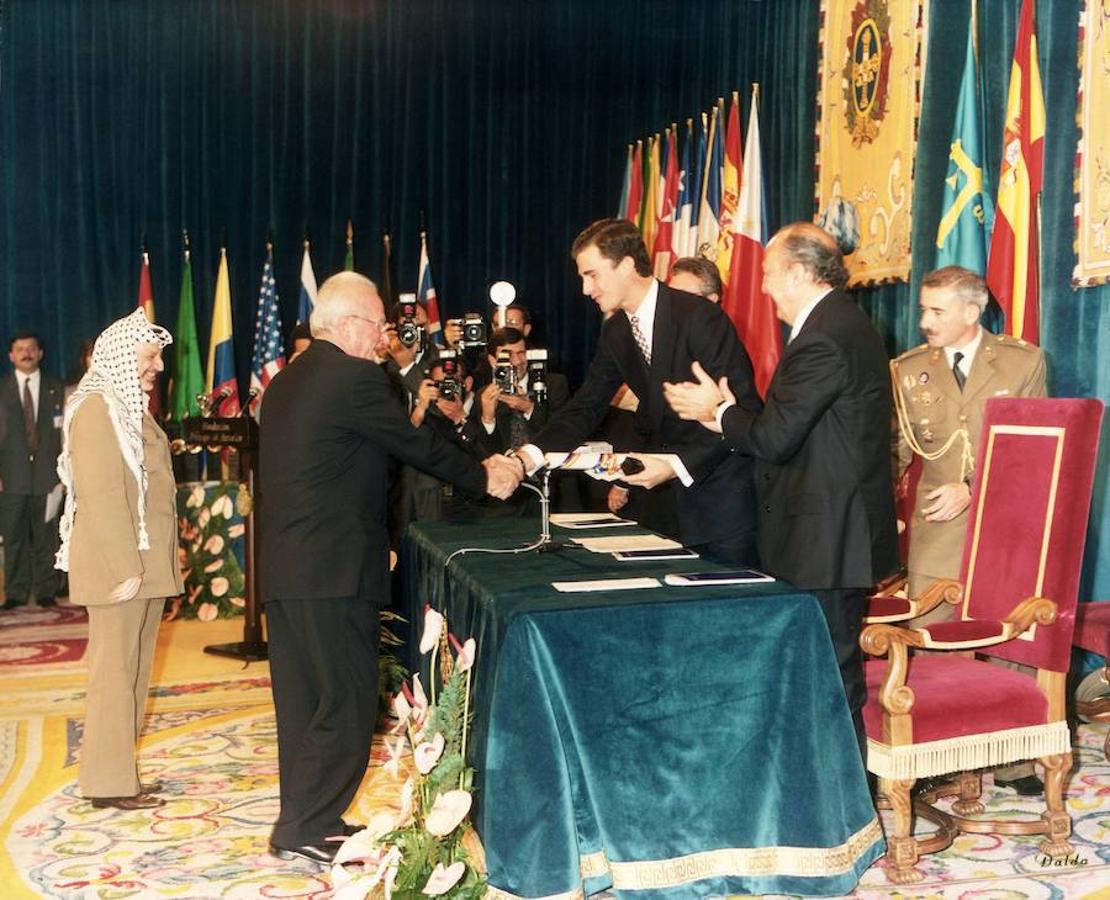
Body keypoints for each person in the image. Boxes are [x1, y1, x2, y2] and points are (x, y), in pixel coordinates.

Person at [258, 271, 519, 867]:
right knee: (346, 699)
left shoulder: (285, 381)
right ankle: (309, 820)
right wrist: (484, 475)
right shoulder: (354, 378)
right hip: (334, 570)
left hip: (290, 566)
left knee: (303, 700)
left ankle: (300, 820)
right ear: (349, 323)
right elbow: (413, 447)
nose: (384, 338)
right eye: (377, 324)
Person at [663, 221, 898, 762]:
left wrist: (716, 412)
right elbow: (792, 427)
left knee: (831, 677)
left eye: (769, 276)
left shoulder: (823, 337)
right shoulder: (839, 325)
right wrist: (731, 412)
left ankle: (847, 810)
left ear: (798, 271)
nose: (764, 289)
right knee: (823, 672)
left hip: (828, 537)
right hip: (824, 531)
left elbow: (773, 438)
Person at [514, 218, 762, 563]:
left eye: (592, 275)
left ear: (628, 265)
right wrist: (529, 455)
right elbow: (586, 406)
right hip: (662, 513)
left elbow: (744, 411)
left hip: (721, 511)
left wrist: (675, 465)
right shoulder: (616, 331)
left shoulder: (699, 316)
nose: (586, 290)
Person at [894, 265, 1047, 795]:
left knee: (1009, 635)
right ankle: (936, 754)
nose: (923, 322)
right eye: (923, 310)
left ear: (971, 310)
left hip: (1003, 519)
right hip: (936, 526)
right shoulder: (907, 369)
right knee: (929, 638)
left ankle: (1014, 759)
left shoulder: (1022, 361)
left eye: (936, 311)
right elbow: (894, 450)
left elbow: (1031, 446)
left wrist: (970, 486)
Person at [55, 308, 180, 809]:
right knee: (113, 675)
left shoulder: (128, 408)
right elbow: (102, 495)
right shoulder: (94, 409)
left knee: (134, 673)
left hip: (143, 566)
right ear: (123, 357)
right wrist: (126, 567)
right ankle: (107, 783)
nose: (158, 368)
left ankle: (118, 773)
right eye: (150, 357)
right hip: (121, 570)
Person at [0, 331, 64, 609]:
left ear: (40, 353)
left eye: (31, 348)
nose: (26, 353)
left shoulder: (57, 388)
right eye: (20, 349)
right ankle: (15, 593)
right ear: (11, 356)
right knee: (12, 537)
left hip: (47, 476)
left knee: (46, 537)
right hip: (9, 477)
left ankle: (46, 591)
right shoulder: (1, 390)